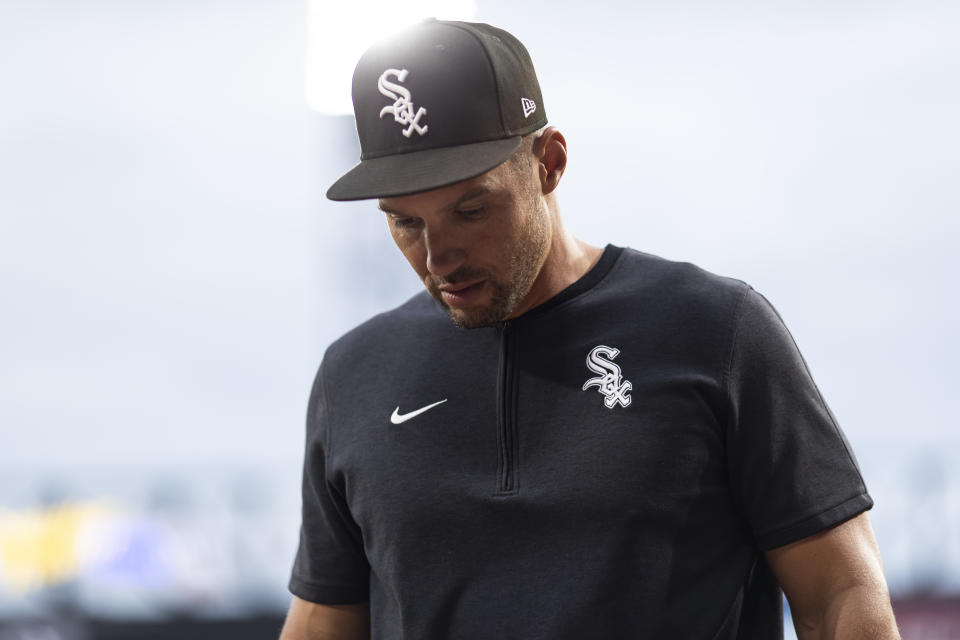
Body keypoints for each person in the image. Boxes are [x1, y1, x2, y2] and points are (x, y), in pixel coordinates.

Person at [280, 18, 900, 640]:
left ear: (549, 162)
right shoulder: (354, 374)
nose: (438, 258)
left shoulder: (716, 331)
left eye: (470, 210)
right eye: (405, 223)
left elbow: (840, 597)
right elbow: (322, 623)